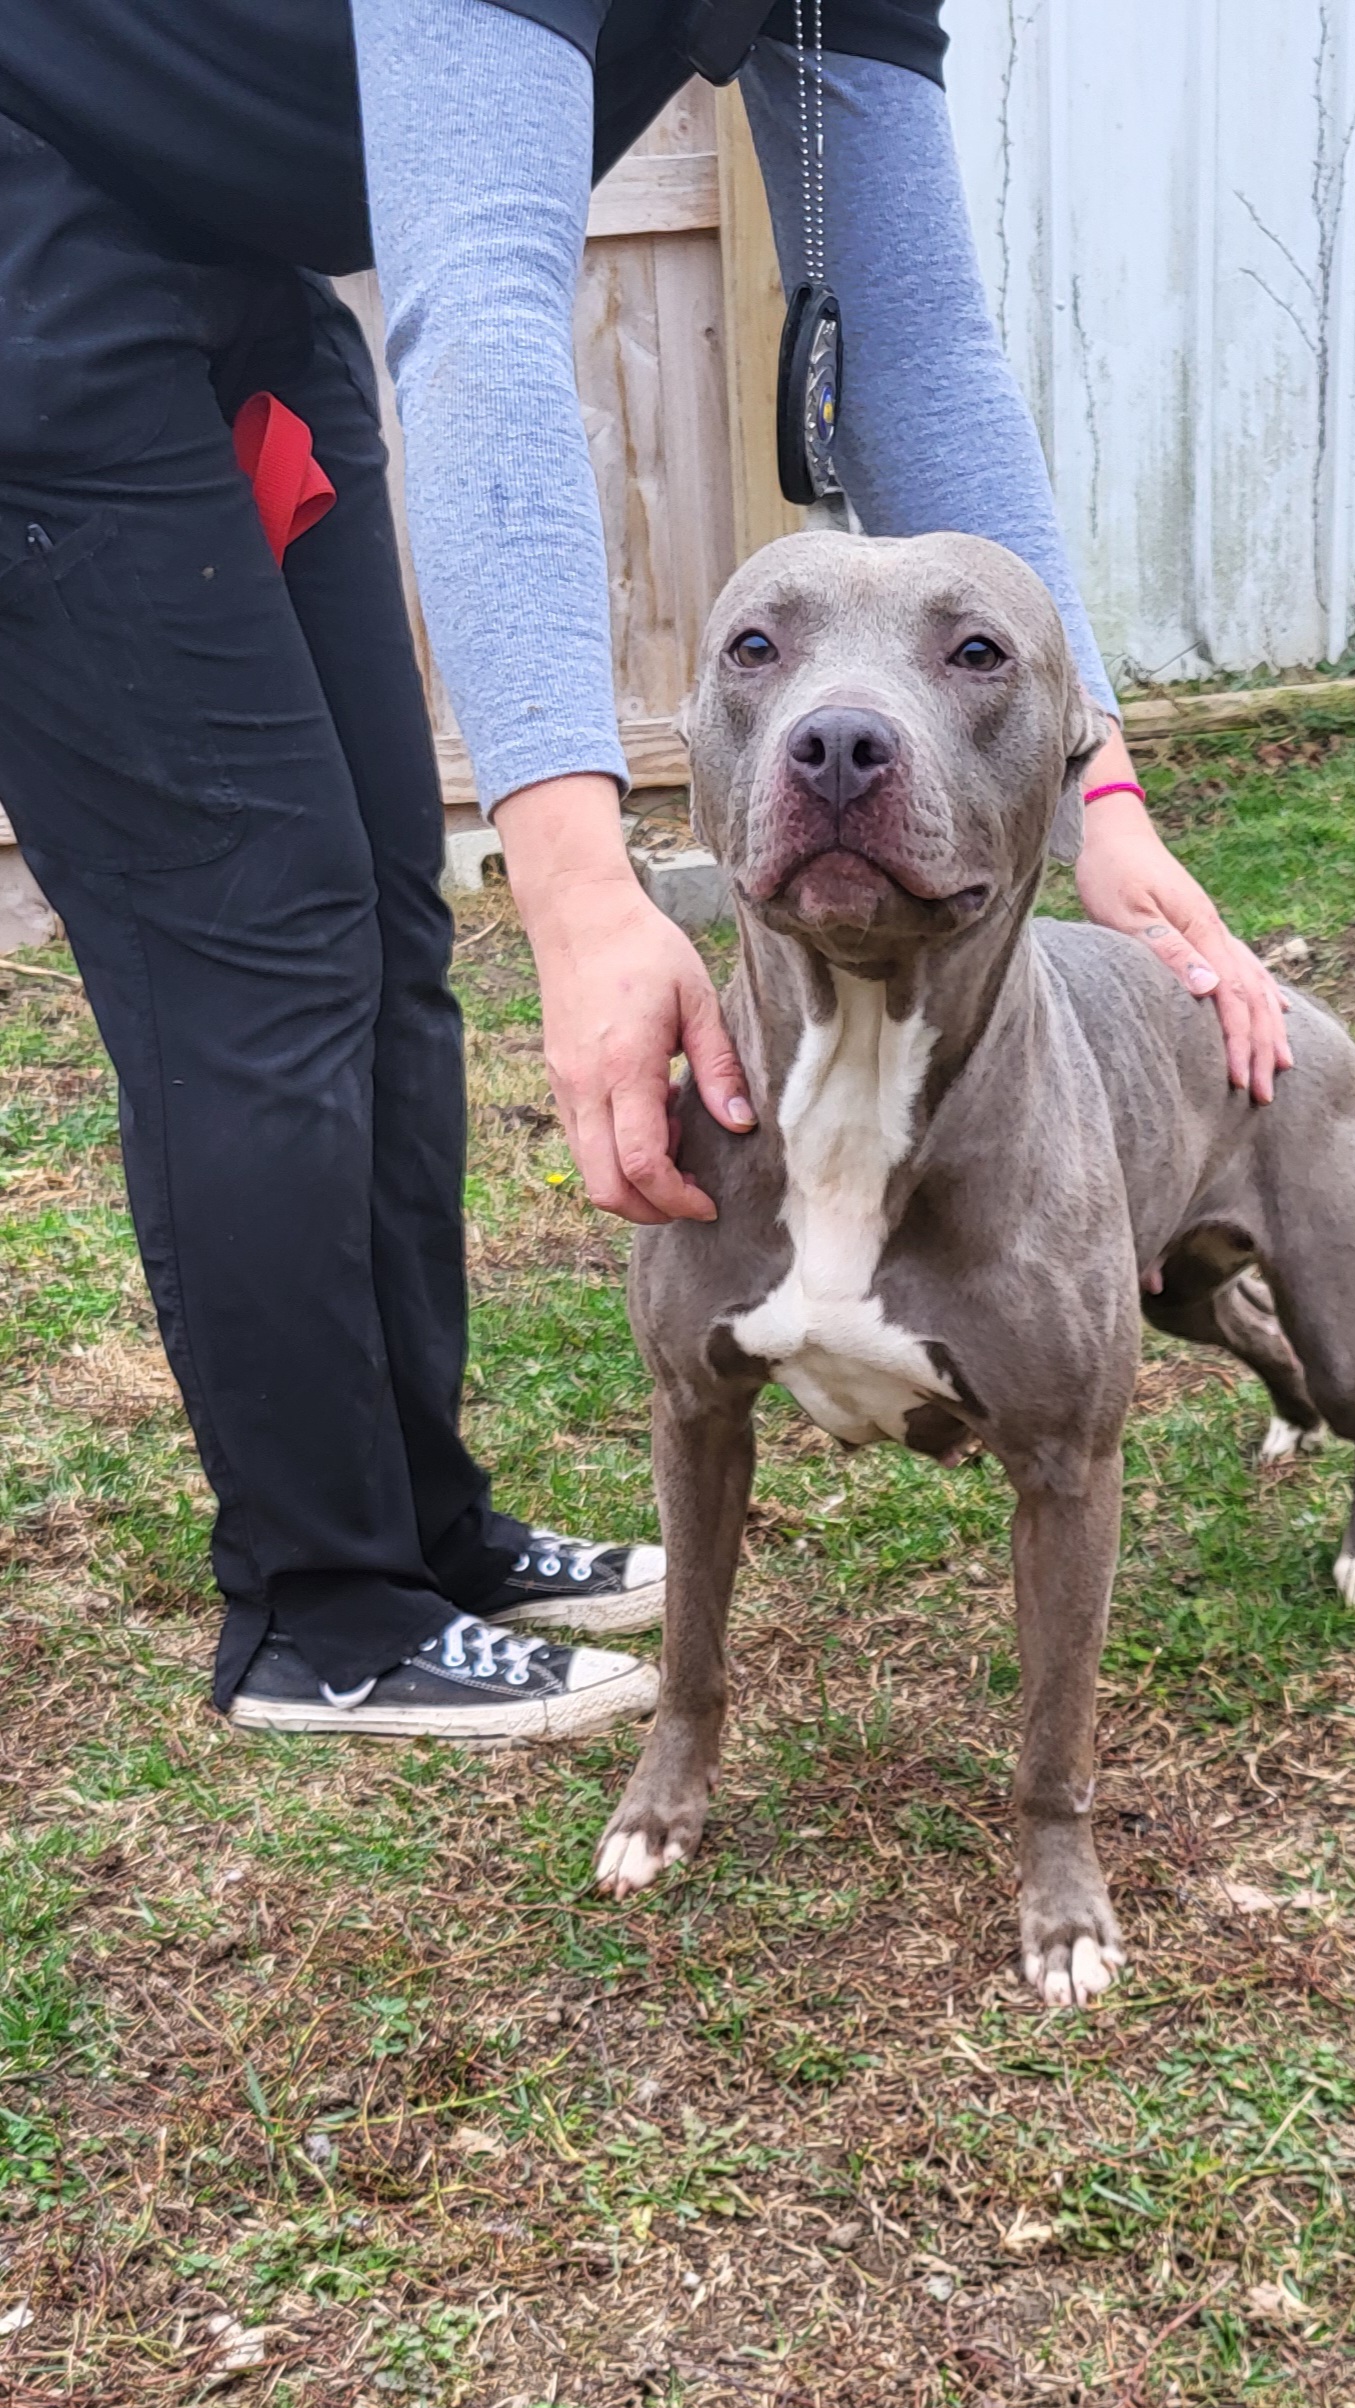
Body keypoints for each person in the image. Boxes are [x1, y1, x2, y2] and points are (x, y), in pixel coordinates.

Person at [0, 0, 1290, 1743]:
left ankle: (427, 1532)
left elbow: (915, 342)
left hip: (233, 257)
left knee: (381, 920)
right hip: (34, 224)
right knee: (262, 939)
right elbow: (480, 308)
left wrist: (1100, 787)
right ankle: (323, 1610)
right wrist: (580, 889)